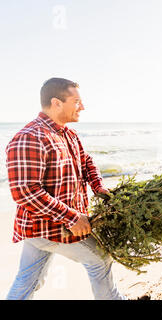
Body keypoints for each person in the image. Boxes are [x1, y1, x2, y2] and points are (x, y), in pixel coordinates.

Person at [5, 78, 126, 300]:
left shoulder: (67, 134)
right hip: (47, 228)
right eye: (77, 101)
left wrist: (98, 187)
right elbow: (25, 191)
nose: (83, 106)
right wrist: (71, 218)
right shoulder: (30, 137)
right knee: (101, 260)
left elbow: (86, 161)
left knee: (28, 281)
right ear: (56, 103)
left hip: (49, 227)